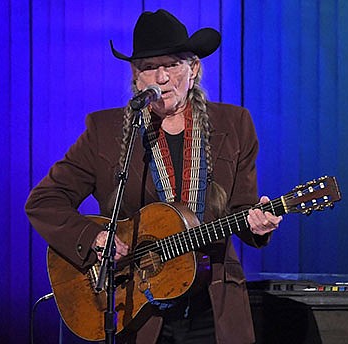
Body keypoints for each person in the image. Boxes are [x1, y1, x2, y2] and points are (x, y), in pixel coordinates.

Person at [25, 9, 282, 344]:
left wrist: (257, 223)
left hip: (213, 306)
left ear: (194, 69)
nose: (162, 78)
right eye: (149, 67)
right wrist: (94, 239)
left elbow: (240, 209)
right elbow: (44, 201)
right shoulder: (105, 132)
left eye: (173, 64)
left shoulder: (234, 125)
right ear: (136, 77)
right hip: (136, 308)